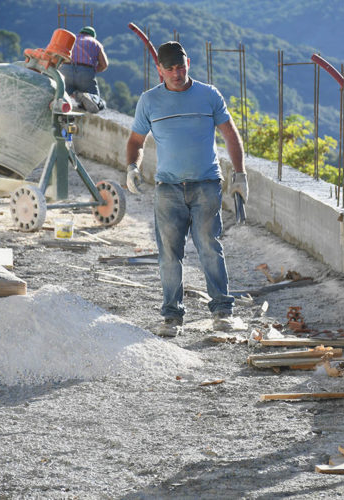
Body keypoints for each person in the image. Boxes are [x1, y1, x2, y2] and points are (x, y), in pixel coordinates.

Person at [125, 40, 248, 338]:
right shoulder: (149, 101)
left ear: (188, 63)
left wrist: (241, 174)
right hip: (167, 189)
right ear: (160, 70)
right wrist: (132, 166)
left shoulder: (208, 95)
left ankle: (222, 311)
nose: (177, 73)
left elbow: (231, 136)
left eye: (181, 67)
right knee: (169, 253)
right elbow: (135, 141)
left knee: (209, 246)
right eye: (170, 69)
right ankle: (171, 317)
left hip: (206, 184)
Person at [62, 26, 108, 113]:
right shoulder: (96, 43)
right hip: (85, 71)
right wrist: (92, 71)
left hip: (65, 69)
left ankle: (71, 98)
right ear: (92, 36)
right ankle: (83, 97)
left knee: (63, 96)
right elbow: (104, 65)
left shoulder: (71, 39)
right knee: (95, 100)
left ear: (80, 33)